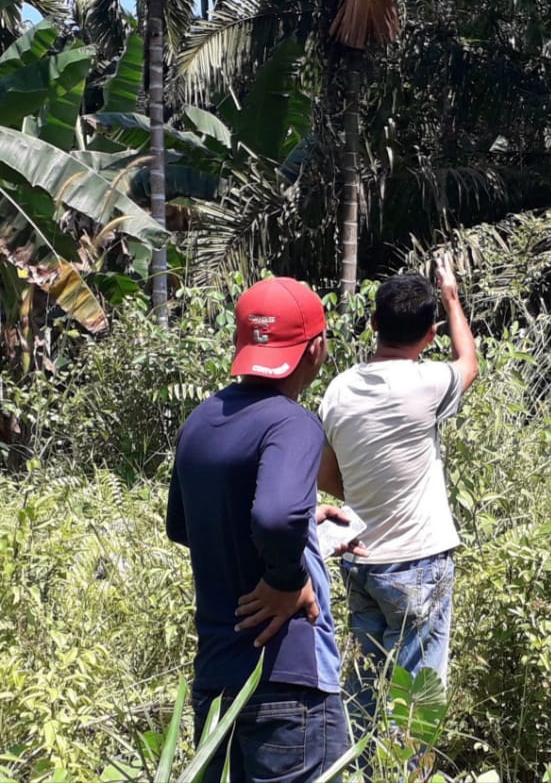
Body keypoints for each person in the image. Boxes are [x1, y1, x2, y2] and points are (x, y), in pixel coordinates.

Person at [167, 277, 355, 783]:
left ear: (241, 344)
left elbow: (186, 526)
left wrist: (305, 526)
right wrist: (285, 578)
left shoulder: (200, 422)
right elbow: (275, 517)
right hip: (287, 686)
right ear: (316, 348)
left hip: (216, 686)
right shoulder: (292, 423)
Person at [317, 256, 479, 742]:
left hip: (360, 560)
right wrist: (451, 296)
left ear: (372, 324)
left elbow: (327, 472)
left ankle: (356, 770)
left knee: (363, 685)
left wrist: (369, 503)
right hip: (419, 564)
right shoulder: (427, 383)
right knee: (416, 697)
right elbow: (468, 362)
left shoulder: (338, 390)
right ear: (430, 336)